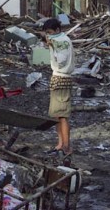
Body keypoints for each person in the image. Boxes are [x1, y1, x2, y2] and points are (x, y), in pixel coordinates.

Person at [43, 17, 74, 160]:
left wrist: (52, 45)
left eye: (50, 32)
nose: (48, 35)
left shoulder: (61, 41)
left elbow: (60, 61)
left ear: (57, 30)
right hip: (58, 77)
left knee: (62, 115)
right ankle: (61, 143)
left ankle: (66, 146)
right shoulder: (59, 40)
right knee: (57, 114)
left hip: (62, 77)